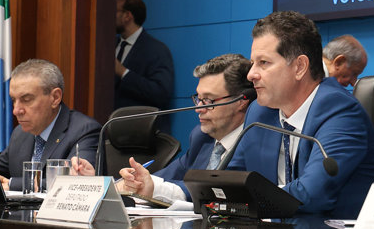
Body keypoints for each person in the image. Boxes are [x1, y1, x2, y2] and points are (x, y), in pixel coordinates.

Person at [227, 11, 374, 216]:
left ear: (300, 67)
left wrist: (245, 201)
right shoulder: (260, 113)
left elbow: (312, 194)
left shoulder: (340, 111)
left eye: (263, 63)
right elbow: (232, 179)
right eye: (253, 63)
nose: (251, 75)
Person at [77, 54, 254, 202]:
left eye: (209, 100)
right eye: (198, 99)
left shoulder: (254, 143)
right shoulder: (202, 138)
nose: (199, 108)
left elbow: (213, 188)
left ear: (241, 101)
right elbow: (163, 177)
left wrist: (153, 187)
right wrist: (106, 185)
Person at [0, 59, 100, 191]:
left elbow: (75, 182)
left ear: (55, 98)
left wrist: (12, 184)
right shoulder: (20, 133)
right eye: (13, 100)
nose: (16, 110)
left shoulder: (84, 130)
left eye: (26, 100)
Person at [114, 0, 175, 111]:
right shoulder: (107, 47)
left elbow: (160, 93)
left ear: (127, 16)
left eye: (114, 11)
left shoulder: (157, 50)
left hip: (136, 121)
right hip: (105, 120)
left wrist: (123, 72)